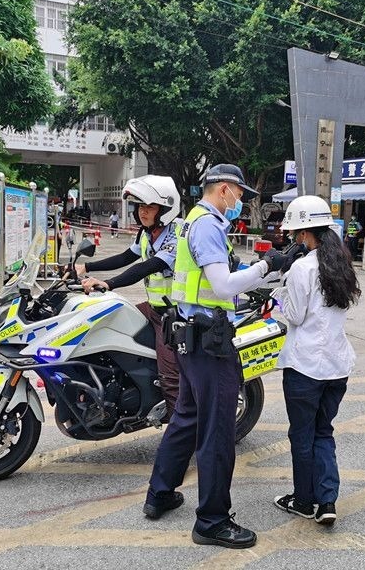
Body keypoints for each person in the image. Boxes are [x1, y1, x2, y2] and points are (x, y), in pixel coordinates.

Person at [142, 163, 291, 549]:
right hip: (209, 344)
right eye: (240, 194)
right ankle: (212, 520)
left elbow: (215, 278)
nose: (241, 201)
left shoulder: (192, 221)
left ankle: (160, 493)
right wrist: (265, 266)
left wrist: (265, 273)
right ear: (224, 189)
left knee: (186, 419)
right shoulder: (209, 226)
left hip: (190, 339)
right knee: (217, 430)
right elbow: (223, 287)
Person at [271, 195, 361, 526]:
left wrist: (277, 296)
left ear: (306, 234)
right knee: (323, 432)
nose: (295, 239)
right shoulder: (342, 263)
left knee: (302, 435)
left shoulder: (302, 268)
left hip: (304, 367)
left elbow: (294, 316)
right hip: (337, 367)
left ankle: (304, 500)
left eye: (296, 234)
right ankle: (327, 501)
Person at [73, 175, 182, 417]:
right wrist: (86, 268)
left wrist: (109, 283)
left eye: (150, 206)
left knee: (170, 375)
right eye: (140, 206)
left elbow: (147, 266)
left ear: (165, 209)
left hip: (175, 316)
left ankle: (181, 430)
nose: (143, 212)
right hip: (155, 309)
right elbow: (125, 258)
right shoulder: (146, 234)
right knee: (107, 321)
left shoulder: (177, 234)